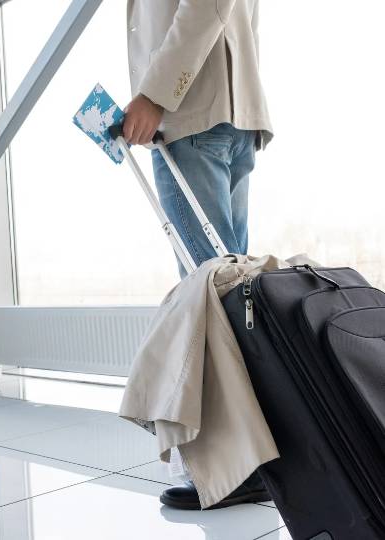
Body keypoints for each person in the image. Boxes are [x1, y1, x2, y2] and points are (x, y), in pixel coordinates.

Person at [123, 0, 274, 509]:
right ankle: (255, 457)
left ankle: (236, 468)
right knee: (232, 292)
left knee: (209, 296)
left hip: (191, 115)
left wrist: (155, 93)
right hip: (231, 111)